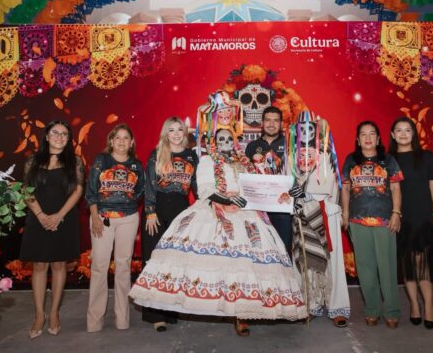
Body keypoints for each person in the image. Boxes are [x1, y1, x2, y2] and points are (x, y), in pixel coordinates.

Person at [129, 92, 307, 336]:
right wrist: (225, 199)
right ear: (214, 142)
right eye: (221, 139)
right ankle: (213, 306)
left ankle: (243, 313)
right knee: (220, 264)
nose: (225, 142)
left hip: (245, 214)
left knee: (246, 264)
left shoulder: (243, 161)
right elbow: (204, 189)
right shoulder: (206, 161)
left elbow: (258, 184)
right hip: (215, 211)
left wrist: (287, 190)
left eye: (229, 139)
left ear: (235, 141)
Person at [20, 120, 85, 338]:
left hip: (64, 219)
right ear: (46, 137)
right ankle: (39, 314)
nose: (59, 137)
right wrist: (40, 215)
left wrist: (58, 216)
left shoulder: (75, 161)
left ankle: (55, 312)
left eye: (64, 134)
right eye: (55, 133)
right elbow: (26, 190)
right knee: (39, 265)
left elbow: (77, 191)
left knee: (59, 265)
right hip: (37, 217)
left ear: (68, 139)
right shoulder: (33, 160)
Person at [287, 111, 350, 327]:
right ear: (296, 131)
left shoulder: (326, 154)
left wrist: (307, 193)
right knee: (306, 260)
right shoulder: (291, 156)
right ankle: (310, 304)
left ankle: (336, 306)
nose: (306, 132)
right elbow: (286, 184)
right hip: (301, 213)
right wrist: (293, 192)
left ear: (316, 131)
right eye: (302, 129)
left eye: (310, 128)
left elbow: (330, 185)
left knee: (331, 260)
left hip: (324, 213)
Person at [340, 121, 403, 329]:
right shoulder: (351, 160)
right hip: (357, 221)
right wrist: (345, 214)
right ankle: (372, 309)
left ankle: (392, 311)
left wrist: (396, 214)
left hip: (385, 220)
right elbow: (345, 189)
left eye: (372, 134)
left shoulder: (388, 160)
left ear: (378, 138)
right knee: (365, 267)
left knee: (387, 267)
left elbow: (395, 189)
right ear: (358, 140)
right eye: (363, 134)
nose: (367, 138)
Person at [85, 123, 144, 332]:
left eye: (126, 138)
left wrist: (127, 201)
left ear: (131, 142)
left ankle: (122, 319)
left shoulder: (136, 165)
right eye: (117, 137)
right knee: (99, 267)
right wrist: (95, 216)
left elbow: (140, 190)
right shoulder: (101, 160)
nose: (121, 141)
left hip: (128, 218)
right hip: (102, 218)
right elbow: (91, 190)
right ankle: (94, 321)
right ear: (111, 141)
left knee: (123, 267)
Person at [142, 117, 198, 332]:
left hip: (181, 210)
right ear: (165, 133)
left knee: (174, 262)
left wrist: (204, 206)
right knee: (155, 260)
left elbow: (196, 185)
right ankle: (156, 315)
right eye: (171, 130)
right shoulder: (157, 153)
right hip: (157, 210)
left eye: (179, 130)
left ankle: (171, 312)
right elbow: (149, 184)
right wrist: (150, 211)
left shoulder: (191, 156)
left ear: (185, 133)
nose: (176, 134)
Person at [389, 117, 433, 329]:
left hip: (423, 216)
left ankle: (429, 306)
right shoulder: (388, 160)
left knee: (423, 265)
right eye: (399, 130)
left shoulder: (427, 157)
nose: (403, 134)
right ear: (393, 135)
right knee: (407, 266)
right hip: (400, 218)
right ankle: (414, 304)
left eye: (408, 130)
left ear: (414, 133)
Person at [245, 106, 293, 253]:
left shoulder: (289, 145)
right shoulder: (252, 146)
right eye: (268, 120)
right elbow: (246, 173)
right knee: (260, 249)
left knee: (284, 248)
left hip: (282, 205)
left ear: (281, 124)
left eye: (276, 120)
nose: (271, 124)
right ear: (262, 123)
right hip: (258, 206)